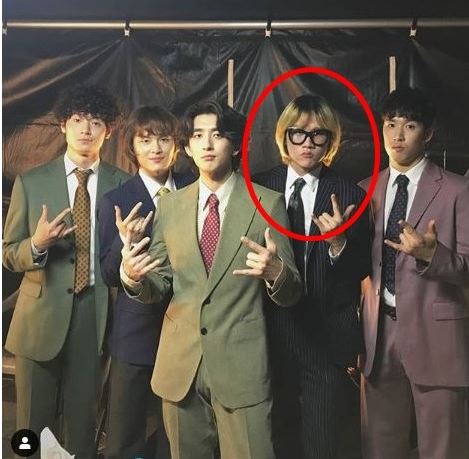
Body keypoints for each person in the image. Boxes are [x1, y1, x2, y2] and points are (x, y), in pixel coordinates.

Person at [120, 100, 302, 459]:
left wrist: (276, 272)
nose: (206, 144)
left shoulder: (268, 203)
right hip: (180, 369)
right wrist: (132, 276)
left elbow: (292, 291)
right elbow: (158, 283)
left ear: (234, 145)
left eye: (217, 135)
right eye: (197, 136)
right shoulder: (170, 206)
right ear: (187, 147)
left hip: (242, 368)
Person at [3, 84, 130, 458]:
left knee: (83, 427)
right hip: (39, 319)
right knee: (31, 428)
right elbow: (8, 253)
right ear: (62, 125)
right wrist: (37, 245)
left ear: (108, 130)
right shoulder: (32, 182)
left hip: (95, 315)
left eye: (96, 122)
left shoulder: (123, 186)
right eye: (77, 120)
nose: (86, 129)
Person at [253, 94, 371, 459]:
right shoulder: (258, 187)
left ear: (330, 140)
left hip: (325, 335)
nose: (307, 143)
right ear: (283, 136)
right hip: (270, 330)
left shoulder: (350, 194)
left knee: (323, 441)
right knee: (277, 437)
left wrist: (339, 243)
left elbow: (360, 270)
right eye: (298, 134)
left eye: (318, 135)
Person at [359, 87, 469, 459]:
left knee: (444, 447)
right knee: (380, 446)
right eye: (390, 124)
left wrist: (432, 255)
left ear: (429, 133)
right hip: (378, 335)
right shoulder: (364, 191)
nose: (398, 135)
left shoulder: (457, 190)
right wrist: (337, 245)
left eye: (409, 126)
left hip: (437, 336)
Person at [98, 106, 195, 458]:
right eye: (145, 140)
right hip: (136, 334)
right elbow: (108, 272)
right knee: (124, 439)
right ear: (132, 148)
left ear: (177, 145)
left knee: (178, 438)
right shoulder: (117, 200)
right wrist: (124, 249)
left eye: (164, 139)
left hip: (187, 332)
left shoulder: (195, 188)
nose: (156, 148)